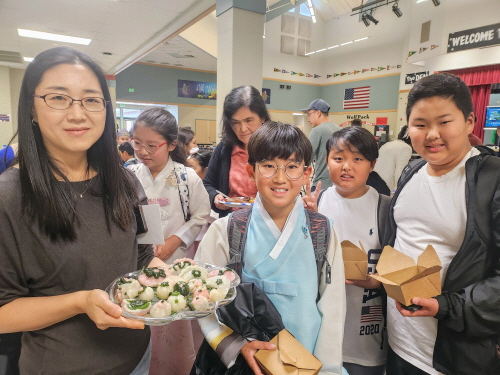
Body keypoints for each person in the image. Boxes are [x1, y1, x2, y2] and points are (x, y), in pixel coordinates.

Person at [0, 46, 167, 375]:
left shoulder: (126, 181)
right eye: (58, 98)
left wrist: (176, 279)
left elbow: (145, 257)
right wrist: (79, 302)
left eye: (91, 100)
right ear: (31, 109)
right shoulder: (10, 197)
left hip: (138, 357)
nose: (78, 114)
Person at [195, 122, 346, 375]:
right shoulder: (226, 231)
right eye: (268, 166)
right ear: (250, 170)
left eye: (292, 167)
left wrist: (327, 370)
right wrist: (234, 345)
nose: (280, 178)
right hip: (245, 363)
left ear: (307, 172)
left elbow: (333, 310)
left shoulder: (323, 232)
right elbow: (202, 300)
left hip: (308, 362)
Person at [384, 72, 500, 375]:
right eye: (420, 125)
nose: (432, 134)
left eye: (444, 122)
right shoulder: (411, 171)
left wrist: (447, 306)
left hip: (453, 357)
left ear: (469, 121)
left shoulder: (492, 179)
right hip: (398, 345)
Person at [127, 107, 210, 375]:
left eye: (152, 145)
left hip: (174, 261)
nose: (143, 152)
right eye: (137, 143)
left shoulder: (186, 178)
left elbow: (200, 215)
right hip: (138, 260)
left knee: (172, 317)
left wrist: (175, 240)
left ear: (172, 144)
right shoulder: (128, 174)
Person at [304, 126, 389, 375]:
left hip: (367, 331)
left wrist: (377, 282)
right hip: (323, 329)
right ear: (326, 160)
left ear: (372, 164)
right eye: (338, 158)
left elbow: (402, 266)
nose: (346, 166)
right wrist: (306, 222)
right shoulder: (317, 204)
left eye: (357, 159)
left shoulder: (385, 209)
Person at [203, 86, 271, 217]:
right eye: (235, 122)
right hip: (231, 222)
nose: (243, 128)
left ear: (262, 118)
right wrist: (215, 197)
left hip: (268, 221)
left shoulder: (277, 147)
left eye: (248, 120)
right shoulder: (224, 149)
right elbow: (208, 183)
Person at [302, 99, 340, 190]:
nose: (308, 119)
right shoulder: (340, 129)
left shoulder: (317, 130)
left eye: (309, 114)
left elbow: (306, 158)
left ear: (318, 113)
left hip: (322, 185)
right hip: (338, 185)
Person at [374, 126, 413, 191]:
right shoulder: (405, 148)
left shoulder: (388, 144)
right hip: (387, 186)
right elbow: (400, 172)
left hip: (376, 181)